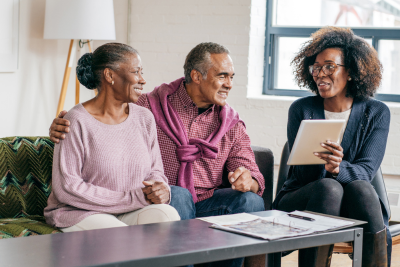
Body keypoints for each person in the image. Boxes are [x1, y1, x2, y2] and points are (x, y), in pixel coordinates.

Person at [49, 42, 266, 267]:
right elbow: (106, 113)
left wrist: (247, 179)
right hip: (168, 199)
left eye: (231, 77)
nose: (229, 84)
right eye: (222, 76)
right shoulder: (152, 105)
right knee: (179, 196)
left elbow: (251, 172)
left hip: (206, 203)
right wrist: (60, 124)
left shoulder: (230, 123)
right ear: (197, 76)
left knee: (251, 201)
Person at [273, 27, 391, 267]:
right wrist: (326, 168)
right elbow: (301, 175)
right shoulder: (301, 109)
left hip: (355, 201)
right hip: (303, 198)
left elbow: (366, 172)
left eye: (329, 66)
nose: (320, 74)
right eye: (316, 67)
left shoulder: (376, 112)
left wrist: (338, 167)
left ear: (351, 71)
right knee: (328, 188)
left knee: (362, 188)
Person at [44, 43, 180, 232]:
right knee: (118, 236)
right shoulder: (75, 121)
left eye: (142, 72)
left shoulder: (144, 117)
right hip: (81, 212)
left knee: (168, 215)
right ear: (110, 75)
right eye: (136, 72)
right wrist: (133, 198)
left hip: (130, 209)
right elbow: (68, 187)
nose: (142, 80)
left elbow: (155, 171)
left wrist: (160, 188)